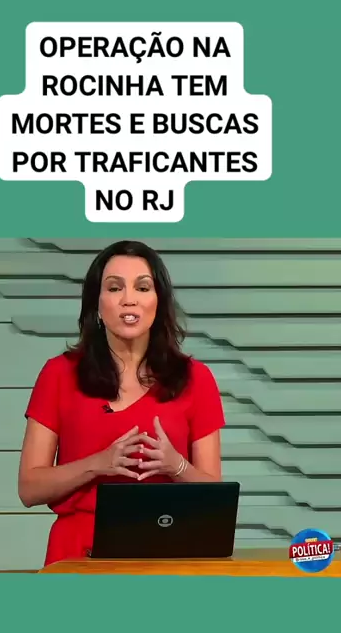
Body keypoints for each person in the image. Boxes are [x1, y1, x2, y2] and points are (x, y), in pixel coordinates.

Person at [18, 240, 225, 566]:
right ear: (97, 303)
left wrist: (177, 466)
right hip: (78, 554)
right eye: (115, 288)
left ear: (159, 301)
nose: (129, 299)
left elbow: (216, 497)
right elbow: (29, 489)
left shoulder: (196, 378)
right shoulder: (59, 374)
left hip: (168, 551)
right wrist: (97, 464)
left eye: (142, 287)